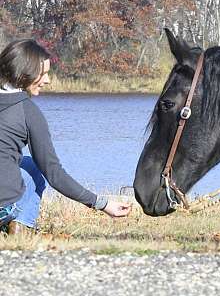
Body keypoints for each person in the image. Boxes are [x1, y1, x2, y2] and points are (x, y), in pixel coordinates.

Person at [0, 39, 132, 234]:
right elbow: (54, 174)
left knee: (25, 162)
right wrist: (102, 204)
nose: (47, 80)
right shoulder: (27, 112)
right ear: (24, 72)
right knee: (38, 167)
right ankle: (20, 227)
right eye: (42, 73)